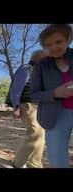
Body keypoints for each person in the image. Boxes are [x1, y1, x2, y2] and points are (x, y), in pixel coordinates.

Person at [31, 24, 73, 168]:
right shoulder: (40, 66)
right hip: (55, 117)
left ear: (68, 39)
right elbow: (34, 94)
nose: (54, 47)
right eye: (49, 44)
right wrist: (55, 93)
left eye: (58, 42)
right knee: (57, 161)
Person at [10, 50, 47, 168]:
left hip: (38, 105)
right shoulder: (26, 69)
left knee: (39, 135)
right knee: (35, 133)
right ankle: (24, 163)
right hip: (28, 105)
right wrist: (16, 106)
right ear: (38, 58)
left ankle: (31, 163)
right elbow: (16, 89)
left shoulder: (37, 72)